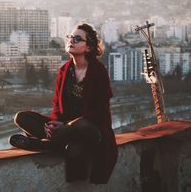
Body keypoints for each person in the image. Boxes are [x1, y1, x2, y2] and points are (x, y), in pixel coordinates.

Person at [9, 23, 118, 184]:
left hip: (91, 130)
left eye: (77, 39)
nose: (71, 41)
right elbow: (57, 106)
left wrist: (66, 126)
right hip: (64, 130)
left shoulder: (98, 71)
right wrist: (54, 124)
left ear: (88, 47)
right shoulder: (64, 70)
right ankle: (54, 142)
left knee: (82, 124)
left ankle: (45, 145)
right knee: (21, 118)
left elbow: (99, 112)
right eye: (70, 37)